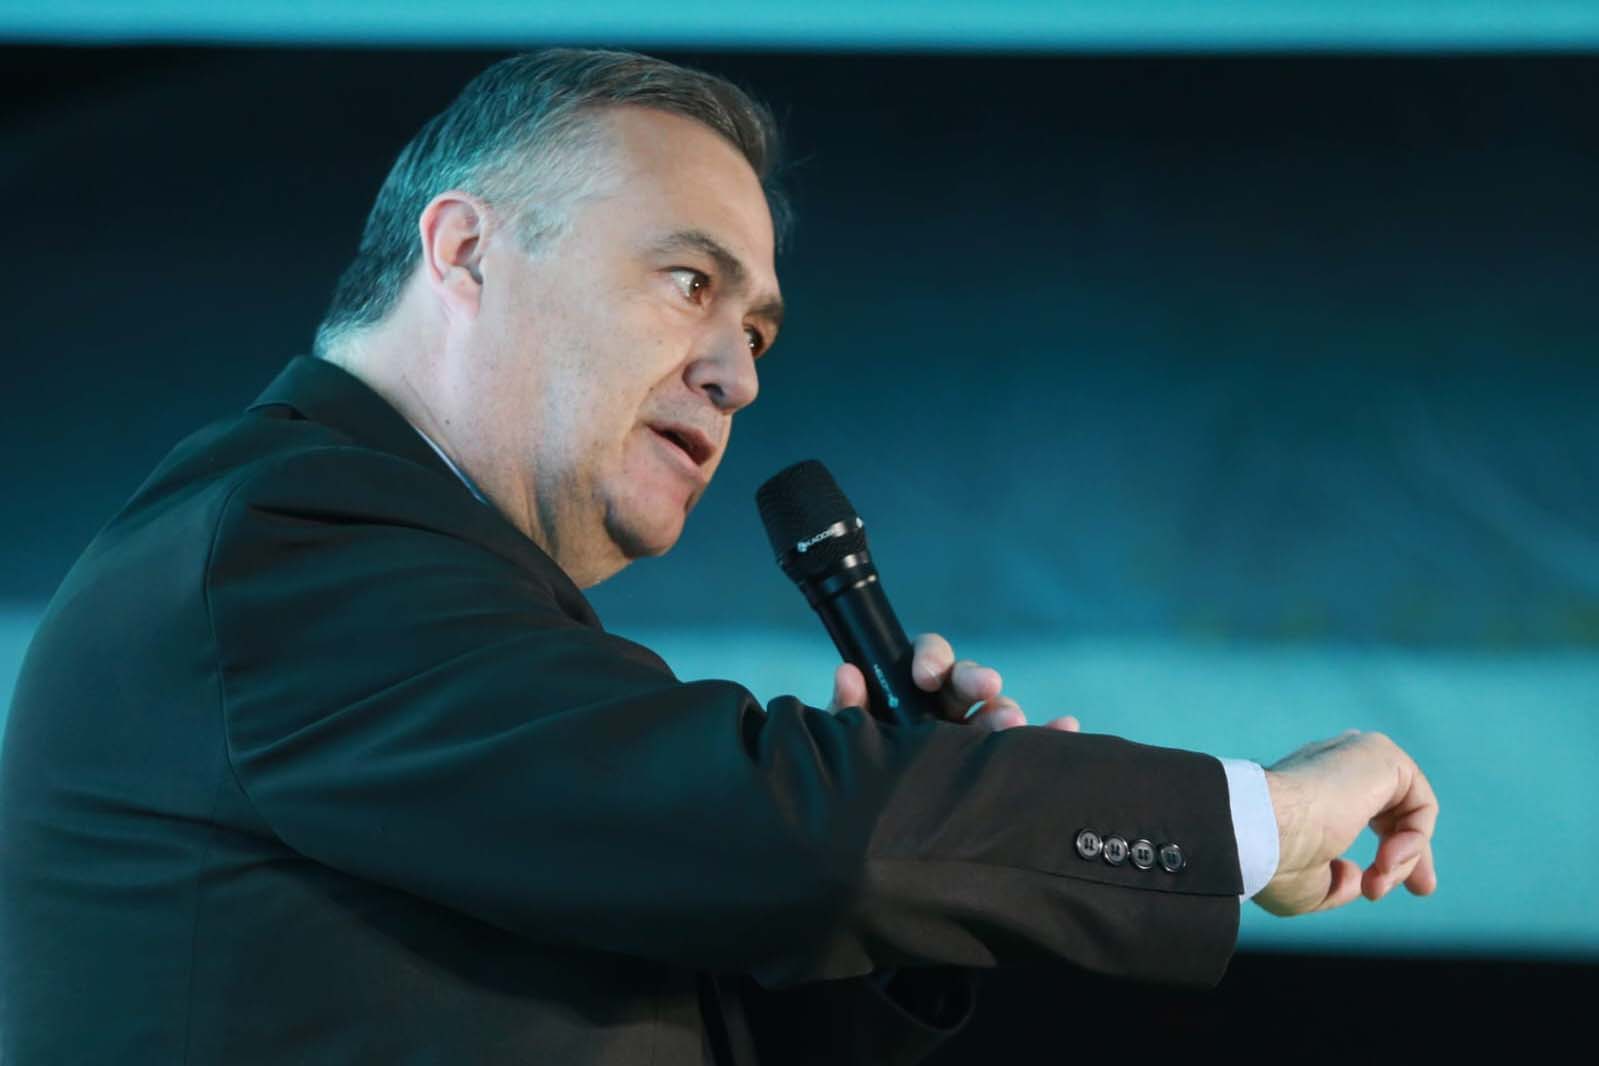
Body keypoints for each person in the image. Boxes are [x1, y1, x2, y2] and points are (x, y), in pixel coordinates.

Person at [0, 48, 1437, 1065]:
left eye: (756, 330)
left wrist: (910, 864)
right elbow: (797, 835)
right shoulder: (284, 541)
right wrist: (1261, 816)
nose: (737, 374)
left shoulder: (432, 608)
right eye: (689, 282)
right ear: (465, 250)